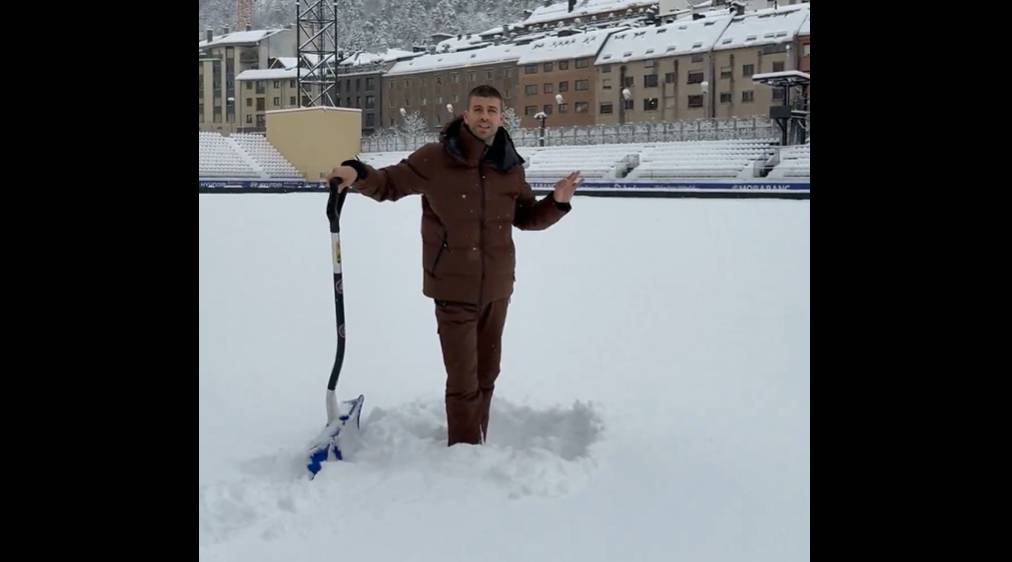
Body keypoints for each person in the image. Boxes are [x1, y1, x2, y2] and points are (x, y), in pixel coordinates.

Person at [328, 84, 581, 446]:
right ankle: (465, 451)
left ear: (500, 117)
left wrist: (556, 203)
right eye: (478, 109)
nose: (484, 117)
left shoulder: (509, 165)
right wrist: (357, 173)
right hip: (452, 285)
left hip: (497, 287)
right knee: (464, 377)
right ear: (465, 114)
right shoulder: (436, 158)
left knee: (488, 372)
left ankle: (479, 435)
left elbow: (525, 218)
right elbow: (389, 183)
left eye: (492, 110)